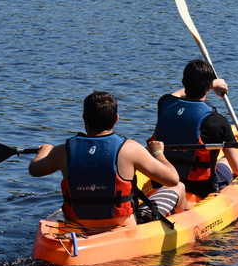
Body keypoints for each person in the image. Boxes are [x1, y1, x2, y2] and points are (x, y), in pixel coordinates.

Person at [28, 91, 187, 226]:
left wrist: (44, 151)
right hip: (121, 223)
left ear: (84, 118)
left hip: (77, 222)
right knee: (178, 187)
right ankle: (183, 223)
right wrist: (158, 153)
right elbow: (172, 179)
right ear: (116, 118)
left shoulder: (63, 151)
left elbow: (34, 170)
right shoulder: (131, 149)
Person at [151, 59, 238, 201]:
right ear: (208, 87)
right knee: (227, 162)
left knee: (224, 160)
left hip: (162, 179)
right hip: (199, 187)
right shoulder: (217, 121)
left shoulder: (164, 103)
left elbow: (176, 95)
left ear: (183, 81)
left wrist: (210, 84)